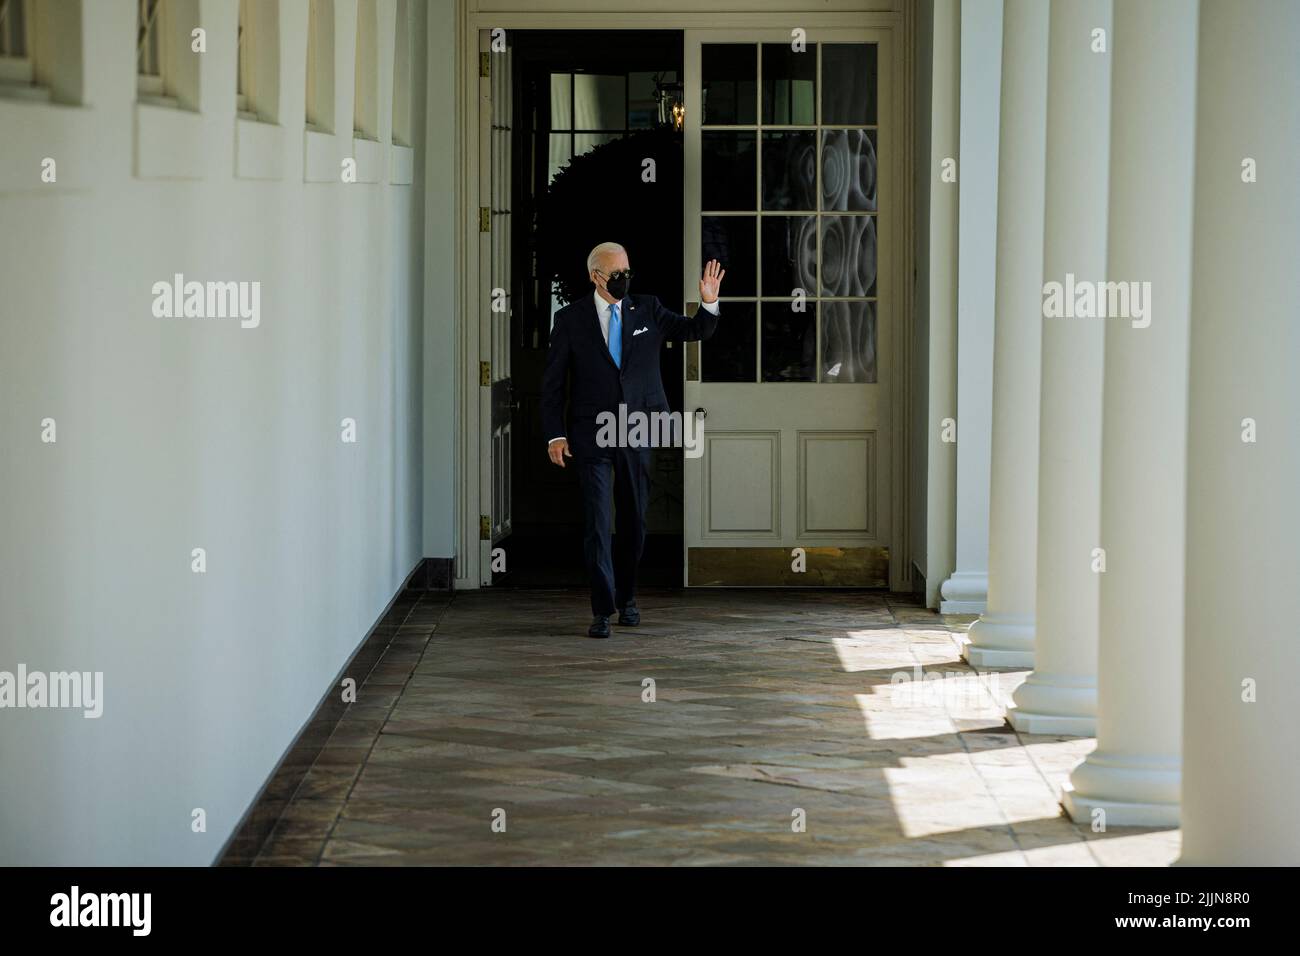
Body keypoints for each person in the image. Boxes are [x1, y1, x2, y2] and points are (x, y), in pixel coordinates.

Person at [542, 242, 725, 637]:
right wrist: (555, 434)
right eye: (615, 273)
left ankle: (627, 598)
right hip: (591, 433)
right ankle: (601, 610)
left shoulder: (648, 308)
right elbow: (553, 383)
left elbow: (694, 330)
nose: (624, 279)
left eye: (627, 271)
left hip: (638, 428)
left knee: (633, 521)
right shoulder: (571, 319)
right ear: (595, 276)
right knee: (597, 522)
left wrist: (708, 304)